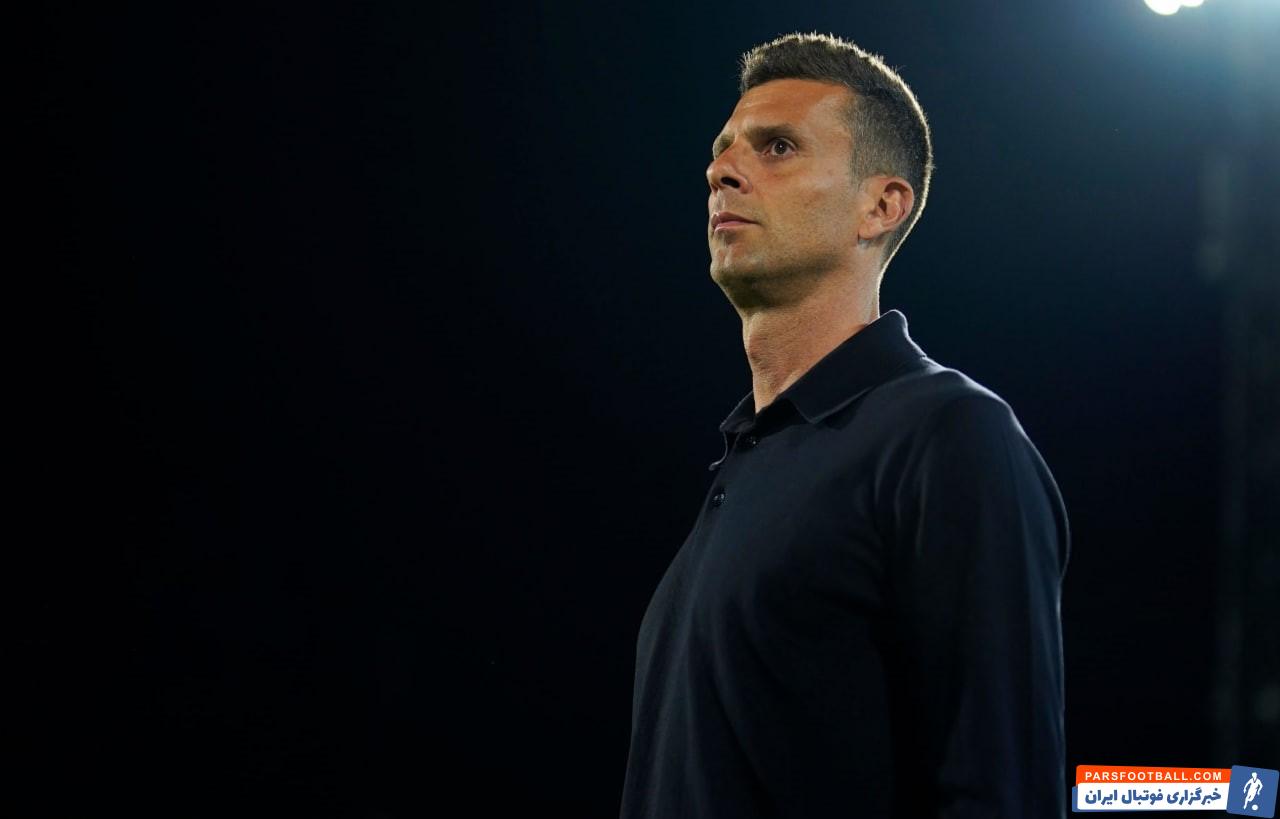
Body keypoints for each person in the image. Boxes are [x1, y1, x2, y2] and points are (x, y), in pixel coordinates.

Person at [619, 32, 1071, 819]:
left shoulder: (950, 433)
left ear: (881, 206)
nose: (722, 171)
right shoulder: (748, 461)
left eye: (778, 147)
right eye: (722, 152)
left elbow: (1003, 789)